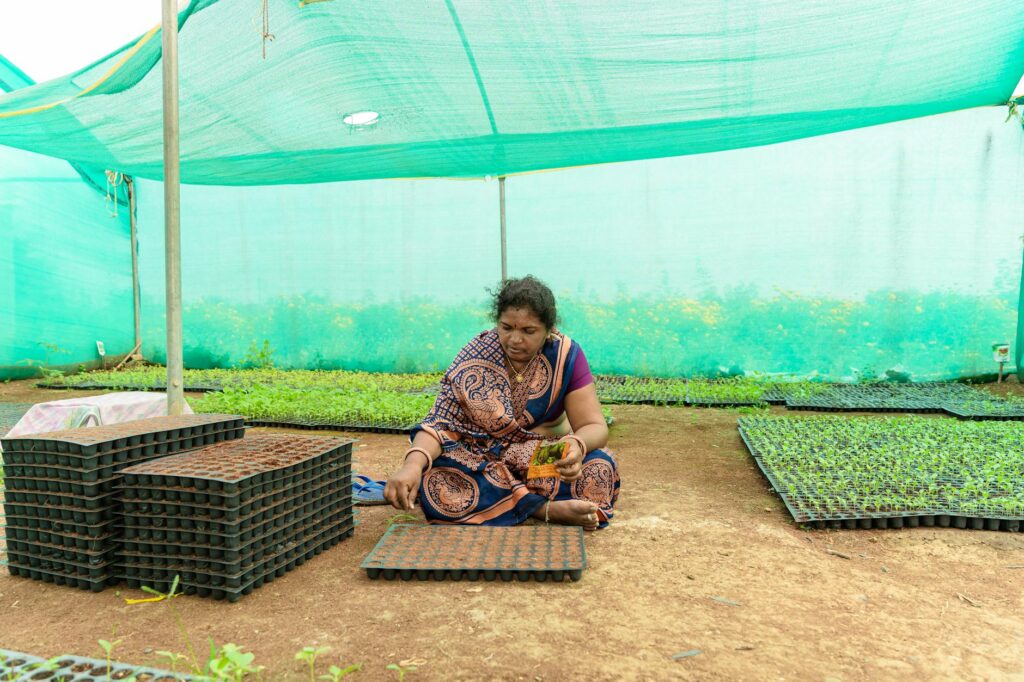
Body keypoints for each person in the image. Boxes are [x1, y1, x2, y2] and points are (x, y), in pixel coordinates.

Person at [384, 276, 619, 529]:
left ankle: (513, 502)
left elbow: (595, 425)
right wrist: (412, 465)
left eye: (528, 331)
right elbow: (440, 425)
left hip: (536, 455)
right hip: (480, 457)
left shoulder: (565, 356)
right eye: (506, 328)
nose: (515, 340)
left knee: (598, 464)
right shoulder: (475, 354)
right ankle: (543, 509)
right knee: (436, 478)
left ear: (549, 329)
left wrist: (576, 445)